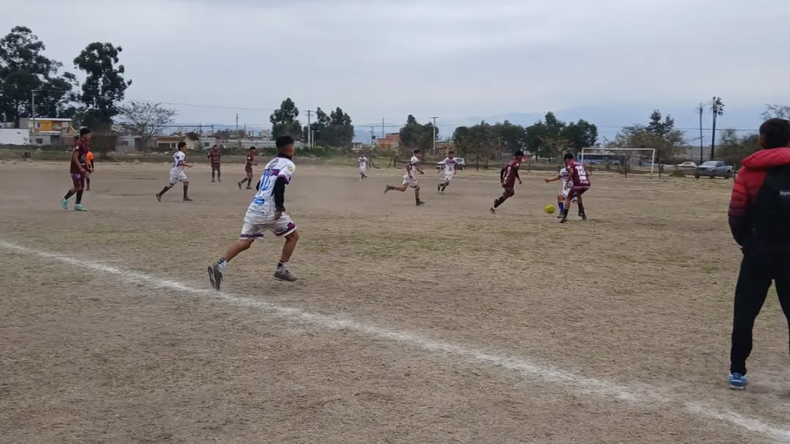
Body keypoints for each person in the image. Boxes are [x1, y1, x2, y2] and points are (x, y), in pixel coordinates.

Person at [727, 117, 790, 390]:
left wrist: (747, 244)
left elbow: (736, 214)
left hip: (758, 252)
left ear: (762, 139)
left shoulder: (748, 171)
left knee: (745, 313)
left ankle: (737, 372)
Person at [208, 136, 300, 288]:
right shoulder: (288, 164)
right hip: (268, 209)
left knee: (244, 242)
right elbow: (279, 183)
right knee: (293, 236)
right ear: (290, 148)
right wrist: (279, 206)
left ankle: (219, 265)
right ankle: (281, 269)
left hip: (255, 206)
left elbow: (259, 185)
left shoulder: (271, 163)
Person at [61, 127, 92, 211]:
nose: (90, 136)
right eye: (89, 134)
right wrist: (80, 167)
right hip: (75, 169)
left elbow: (84, 157)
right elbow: (75, 157)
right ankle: (64, 198)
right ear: (84, 135)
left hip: (82, 168)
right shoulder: (79, 143)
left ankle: (77, 204)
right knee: (78, 187)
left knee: (82, 187)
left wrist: (87, 166)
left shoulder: (86, 144)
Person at [559, 152, 591, 223]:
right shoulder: (580, 164)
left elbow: (571, 172)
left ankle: (564, 216)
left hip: (578, 184)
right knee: (578, 194)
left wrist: (567, 182)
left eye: (565, 160)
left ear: (567, 159)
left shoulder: (570, 164)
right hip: (587, 184)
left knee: (568, 198)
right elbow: (587, 174)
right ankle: (581, 211)